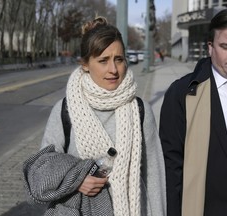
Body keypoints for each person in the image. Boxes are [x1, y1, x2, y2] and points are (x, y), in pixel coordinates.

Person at [23, 16, 166, 216]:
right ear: (85, 64)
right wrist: (77, 179)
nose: (113, 70)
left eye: (119, 59)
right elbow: (45, 167)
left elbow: (154, 177)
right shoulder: (65, 109)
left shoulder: (140, 110)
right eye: (103, 61)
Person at [159, 8, 227, 216]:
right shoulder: (182, 93)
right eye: (225, 46)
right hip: (204, 209)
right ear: (210, 48)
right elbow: (171, 168)